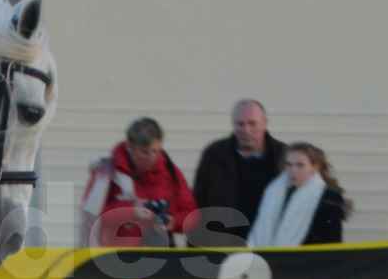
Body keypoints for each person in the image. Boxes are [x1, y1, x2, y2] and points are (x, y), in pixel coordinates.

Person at [82, 117, 198, 247]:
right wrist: (131, 212)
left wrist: (173, 222)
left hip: (161, 254)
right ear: (130, 147)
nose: (151, 157)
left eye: (156, 151)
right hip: (119, 257)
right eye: (144, 152)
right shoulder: (106, 171)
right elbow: (91, 216)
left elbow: (191, 214)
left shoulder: (170, 171)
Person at [192, 99, 287, 244]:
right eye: (240, 124)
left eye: (252, 123)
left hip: (270, 246)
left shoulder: (284, 156)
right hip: (222, 245)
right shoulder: (214, 155)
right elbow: (198, 203)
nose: (246, 130)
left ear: (265, 123)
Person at [247, 142, 351, 247]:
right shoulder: (273, 192)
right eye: (289, 164)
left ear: (314, 167)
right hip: (270, 258)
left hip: (307, 260)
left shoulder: (329, 198)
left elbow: (332, 243)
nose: (293, 170)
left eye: (300, 165)